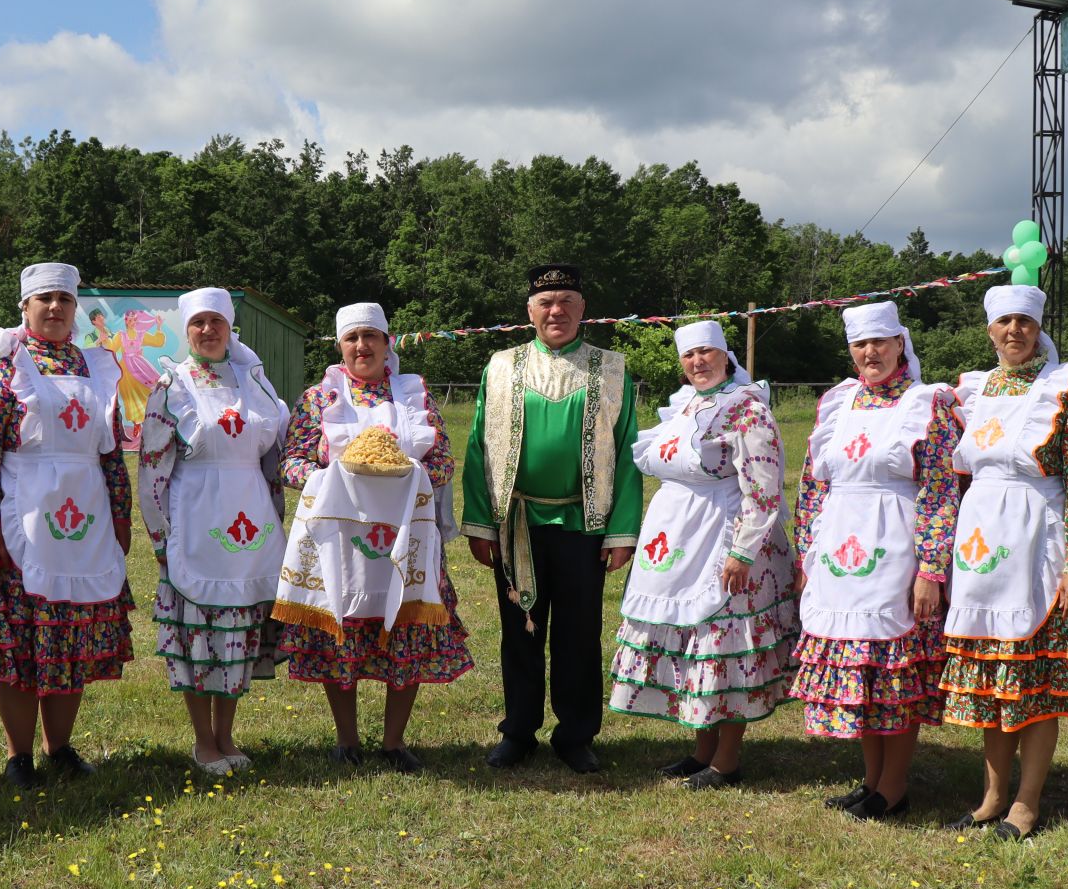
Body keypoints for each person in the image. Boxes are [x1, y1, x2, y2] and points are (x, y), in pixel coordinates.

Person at [271, 303, 472, 771]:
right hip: (341, 539)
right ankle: (347, 738)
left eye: (371, 337)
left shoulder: (414, 395)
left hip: (406, 533)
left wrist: (405, 471)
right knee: (343, 629)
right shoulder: (320, 398)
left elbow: (442, 459)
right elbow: (293, 461)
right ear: (341, 345)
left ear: (387, 342)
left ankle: (394, 740)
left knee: (406, 625)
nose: (362, 346)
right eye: (352, 338)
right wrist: (332, 476)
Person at [462, 264, 644, 774]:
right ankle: (518, 731)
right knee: (519, 631)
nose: (556, 310)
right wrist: (480, 523)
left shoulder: (612, 368)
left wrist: (622, 530)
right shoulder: (500, 365)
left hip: (584, 523)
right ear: (530, 312)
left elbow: (629, 451)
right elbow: (477, 447)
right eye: (546, 302)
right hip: (516, 520)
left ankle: (576, 734)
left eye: (566, 300)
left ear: (583, 309)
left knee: (579, 633)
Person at [938, 285, 1068, 840]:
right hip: (981, 545)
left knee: (1033, 674)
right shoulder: (969, 389)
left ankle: (1027, 802)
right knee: (993, 678)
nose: (1015, 332)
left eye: (1024, 323)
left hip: (1039, 540)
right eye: (1004, 322)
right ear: (989, 330)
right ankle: (991, 796)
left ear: (1038, 328)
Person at [608, 320, 799, 788]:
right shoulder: (688, 406)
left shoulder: (747, 408)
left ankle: (727, 760)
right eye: (689, 356)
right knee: (695, 644)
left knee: (724, 643)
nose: (698, 362)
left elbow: (764, 487)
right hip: (682, 541)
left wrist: (742, 551)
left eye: (706, 353)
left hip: (728, 541)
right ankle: (702, 749)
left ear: (725, 355)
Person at [789, 301, 961, 820]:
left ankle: (894, 785)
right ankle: (870, 780)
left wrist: (931, 569)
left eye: (880, 343)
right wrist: (806, 555)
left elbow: (940, 490)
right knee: (860, 668)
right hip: (840, 545)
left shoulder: (927, 403)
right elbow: (813, 484)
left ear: (899, 345)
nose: (871, 353)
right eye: (861, 345)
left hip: (896, 546)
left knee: (892, 670)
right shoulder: (837, 403)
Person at [0, 262, 131, 787]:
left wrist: (121, 514)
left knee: (71, 634)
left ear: (75, 307)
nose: (55, 308)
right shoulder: (0, 367)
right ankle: (19, 756)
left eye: (64, 299)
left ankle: (59, 748)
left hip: (86, 517)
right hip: (22, 519)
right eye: (44, 300)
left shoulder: (98, 367)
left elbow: (111, 452)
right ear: (25, 307)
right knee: (19, 638)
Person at [138, 287, 288, 775]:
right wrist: (159, 534)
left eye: (216, 322)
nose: (208, 331)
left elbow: (271, 457)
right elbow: (153, 465)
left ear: (229, 326)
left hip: (248, 518)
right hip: (196, 515)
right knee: (199, 633)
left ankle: (227, 735)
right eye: (198, 323)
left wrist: (277, 515)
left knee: (237, 631)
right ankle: (204, 741)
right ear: (188, 330)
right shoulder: (172, 385)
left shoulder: (255, 381)